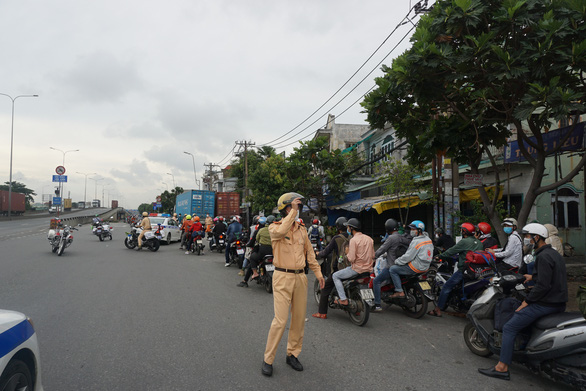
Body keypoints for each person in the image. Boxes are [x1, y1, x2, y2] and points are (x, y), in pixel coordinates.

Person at [478, 223, 567, 381]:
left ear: (536, 237)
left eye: (527, 236)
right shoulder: (553, 254)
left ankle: (502, 368)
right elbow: (552, 277)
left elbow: (543, 286)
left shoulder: (543, 257)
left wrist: (527, 301)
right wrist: (531, 277)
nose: (526, 239)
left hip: (546, 303)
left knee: (509, 327)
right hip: (558, 301)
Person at [262, 193, 324, 377]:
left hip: (300, 278)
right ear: (285, 209)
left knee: (298, 320)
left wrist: (319, 273)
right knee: (280, 321)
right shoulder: (275, 227)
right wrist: (292, 214)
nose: (297, 210)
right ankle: (268, 359)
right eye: (293, 207)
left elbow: (310, 254)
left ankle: (292, 354)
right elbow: (281, 232)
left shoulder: (302, 230)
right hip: (282, 276)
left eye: (298, 208)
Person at [429, 222, 483, 317]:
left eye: (462, 229)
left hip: (464, 270)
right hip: (476, 270)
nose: (461, 231)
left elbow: (451, 251)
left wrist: (439, 256)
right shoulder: (479, 242)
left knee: (446, 287)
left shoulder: (464, 241)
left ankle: (437, 309)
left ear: (465, 231)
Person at [311, 217, 350, 319]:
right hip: (351, 267)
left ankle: (322, 313)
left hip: (339, 267)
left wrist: (319, 253)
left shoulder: (336, 238)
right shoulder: (352, 237)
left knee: (325, 288)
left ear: (338, 227)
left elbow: (326, 251)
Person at [330, 218, 374, 306]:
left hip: (356, 269)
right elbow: (373, 255)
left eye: (348, 227)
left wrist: (347, 253)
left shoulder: (353, 240)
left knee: (335, 276)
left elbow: (351, 259)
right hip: (368, 270)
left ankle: (343, 299)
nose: (348, 229)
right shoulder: (369, 239)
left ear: (351, 228)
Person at [371, 218, 412, 312]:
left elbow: (382, 249)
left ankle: (377, 305)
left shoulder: (391, 238)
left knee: (376, 281)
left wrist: (373, 256)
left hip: (392, 266)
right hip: (405, 265)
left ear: (388, 229)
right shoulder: (405, 236)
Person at [388, 220, 433, 299]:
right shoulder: (428, 239)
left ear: (419, 230)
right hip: (426, 267)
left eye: (413, 229)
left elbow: (408, 257)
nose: (411, 231)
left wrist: (397, 261)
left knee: (393, 269)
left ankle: (399, 291)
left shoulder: (416, 241)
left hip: (416, 267)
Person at [238, 216, 273, 287]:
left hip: (262, 251)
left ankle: (253, 274)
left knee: (252, 258)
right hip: (274, 251)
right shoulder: (276, 230)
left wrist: (249, 245)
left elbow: (255, 239)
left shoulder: (259, 230)